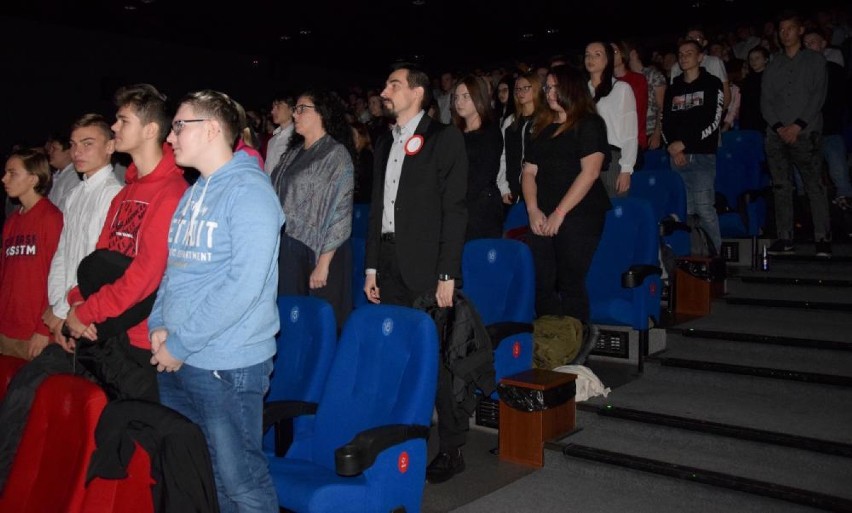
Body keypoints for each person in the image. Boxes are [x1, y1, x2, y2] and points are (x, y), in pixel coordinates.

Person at [148, 89, 283, 512]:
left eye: (178, 126)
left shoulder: (251, 193)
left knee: (242, 483)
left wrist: (179, 344)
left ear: (211, 129)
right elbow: (174, 272)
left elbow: (243, 286)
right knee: (210, 478)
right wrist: (158, 325)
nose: (171, 138)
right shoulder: (194, 193)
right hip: (183, 357)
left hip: (228, 364)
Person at [363, 63, 469, 484]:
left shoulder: (444, 139)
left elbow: (455, 210)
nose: (385, 90)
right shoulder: (384, 142)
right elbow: (376, 211)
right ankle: (404, 437)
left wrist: (448, 274)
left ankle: (454, 445)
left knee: (436, 357)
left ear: (419, 92)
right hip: (388, 263)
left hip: (427, 268)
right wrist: (370, 265)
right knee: (397, 355)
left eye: (394, 84)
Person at [60, 83, 187, 401]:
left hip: (141, 342)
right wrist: (78, 301)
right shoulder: (125, 193)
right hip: (106, 331)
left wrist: (88, 313)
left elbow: (147, 275)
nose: (114, 127)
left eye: (123, 120)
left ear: (150, 130)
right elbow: (100, 257)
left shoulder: (172, 192)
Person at [521, 65, 611, 327]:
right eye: (547, 87)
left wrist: (560, 213)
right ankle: (553, 341)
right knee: (541, 280)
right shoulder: (540, 126)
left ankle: (576, 345)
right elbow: (528, 172)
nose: (549, 92)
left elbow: (591, 172)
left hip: (580, 214)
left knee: (570, 281)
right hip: (543, 211)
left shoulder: (589, 123)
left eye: (555, 87)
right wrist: (532, 209)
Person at [271, 89, 354, 330]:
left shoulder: (335, 155)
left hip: (321, 251)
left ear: (321, 113)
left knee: (317, 325)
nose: (295, 114)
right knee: (291, 319)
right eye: (295, 109)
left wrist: (323, 263)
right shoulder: (293, 154)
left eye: (301, 109)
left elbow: (341, 211)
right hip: (290, 247)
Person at [42, 114, 123, 343]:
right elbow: (62, 254)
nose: (77, 152)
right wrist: (58, 305)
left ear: (110, 146)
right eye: (73, 145)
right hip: (68, 307)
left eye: (88, 144)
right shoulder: (75, 194)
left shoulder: (113, 194)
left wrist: (65, 312)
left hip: (88, 314)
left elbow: (95, 263)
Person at [761, 11, 831, 257]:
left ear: (800, 30)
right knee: (781, 186)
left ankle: (822, 238)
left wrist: (797, 126)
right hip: (776, 134)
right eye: (781, 29)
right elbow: (766, 100)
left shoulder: (815, 60)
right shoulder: (774, 63)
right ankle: (785, 237)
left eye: (789, 28)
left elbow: (817, 96)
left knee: (814, 185)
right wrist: (779, 127)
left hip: (806, 132)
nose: (784, 33)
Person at [661, 39, 725, 253]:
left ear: (700, 57)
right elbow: (666, 121)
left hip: (702, 155)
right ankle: (692, 258)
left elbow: (713, 121)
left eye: (689, 52)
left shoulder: (712, 83)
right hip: (676, 156)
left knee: (705, 208)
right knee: (685, 210)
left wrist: (685, 144)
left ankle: (715, 258)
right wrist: (673, 146)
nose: (684, 56)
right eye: (680, 53)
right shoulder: (673, 88)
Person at [0, 149, 63, 360]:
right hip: (7, 326)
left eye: (12, 173)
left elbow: (57, 277)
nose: (4, 178)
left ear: (33, 179)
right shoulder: (11, 222)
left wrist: (43, 329)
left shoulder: (51, 218)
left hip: (33, 333)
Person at [451, 74, 504, 241]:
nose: (459, 102)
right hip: (457, 206)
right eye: (457, 97)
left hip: (480, 208)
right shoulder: (454, 133)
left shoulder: (490, 132)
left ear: (479, 97)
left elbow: (483, 174)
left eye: (466, 96)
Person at [803, 29, 852, 210]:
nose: (808, 46)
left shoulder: (834, 70)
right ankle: (806, 205)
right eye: (805, 44)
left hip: (830, 127)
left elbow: (838, 99)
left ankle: (845, 200)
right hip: (806, 130)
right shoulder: (800, 72)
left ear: (823, 44)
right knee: (805, 171)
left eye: (812, 42)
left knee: (837, 167)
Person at [585, 40, 638, 197]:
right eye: (587, 55)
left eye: (597, 54)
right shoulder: (581, 92)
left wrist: (626, 169)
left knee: (615, 211)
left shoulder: (621, 89)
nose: (590, 58)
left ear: (607, 59)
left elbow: (630, 133)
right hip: (586, 158)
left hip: (613, 158)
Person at [498, 71, 551, 204]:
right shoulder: (511, 121)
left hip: (542, 189)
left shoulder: (547, 119)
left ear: (536, 88)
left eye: (526, 88)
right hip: (514, 190)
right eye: (517, 89)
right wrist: (503, 187)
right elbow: (502, 155)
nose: (520, 92)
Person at [45, 130, 80, 210]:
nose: (49, 152)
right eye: (50, 148)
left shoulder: (74, 178)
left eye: (54, 149)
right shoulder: (56, 175)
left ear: (68, 152)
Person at [264, 91, 295, 175]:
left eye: (278, 106)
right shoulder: (272, 140)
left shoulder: (298, 139)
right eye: (273, 107)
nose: (272, 111)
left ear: (291, 109)